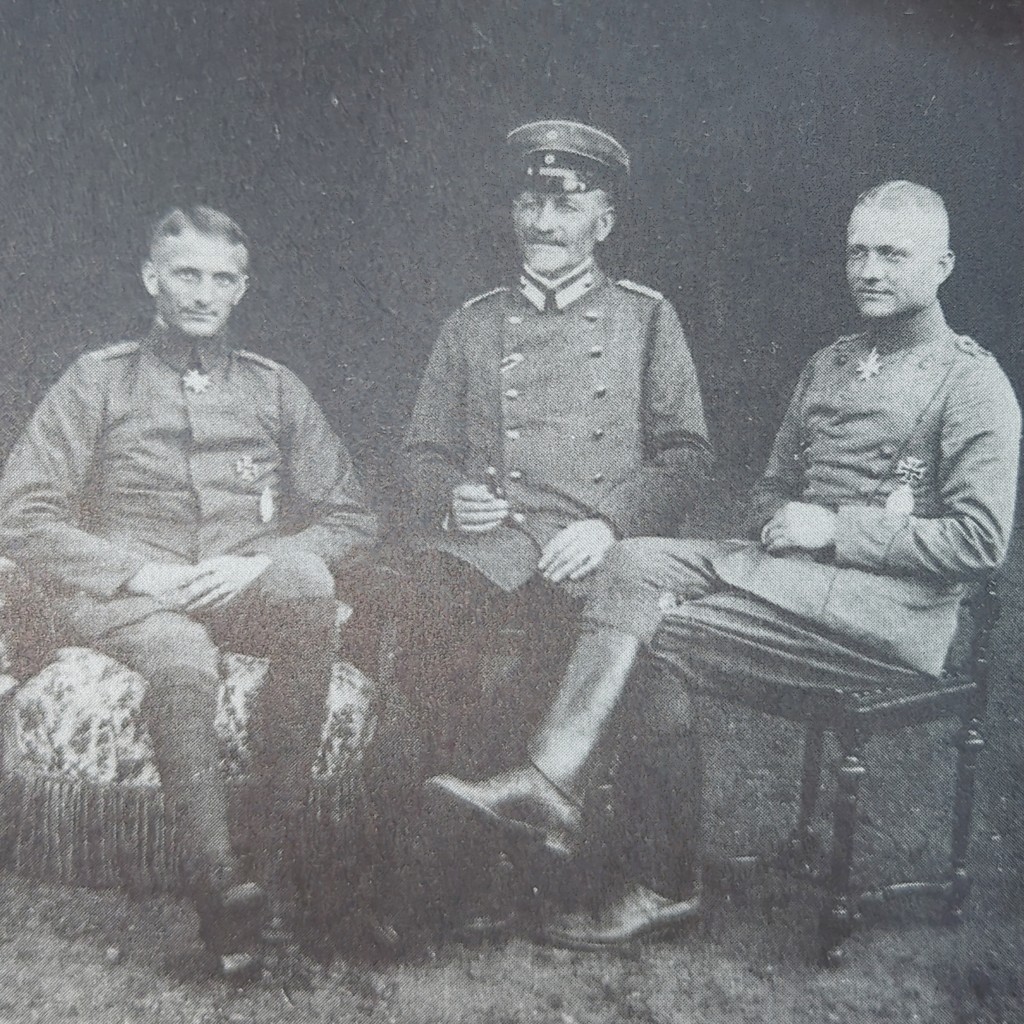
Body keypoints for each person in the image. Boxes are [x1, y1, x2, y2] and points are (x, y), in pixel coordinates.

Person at [428, 180, 1022, 947]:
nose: (870, 271)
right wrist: (778, 520)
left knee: (652, 636)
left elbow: (979, 542)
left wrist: (834, 528)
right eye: (858, 253)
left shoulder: (972, 382)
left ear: (942, 266)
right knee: (632, 563)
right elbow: (770, 488)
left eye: (892, 255)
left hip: (888, 617)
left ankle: (661, 879)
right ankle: (551, 781)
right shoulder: (832, 364)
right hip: (794, 586)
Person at [0, 206, 378, 977]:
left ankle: (272, 862)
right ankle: (219, 887)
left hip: (238, 582)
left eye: (221, 278)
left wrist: (262, 563)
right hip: (130, 593)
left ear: (243, 288)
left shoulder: (275, 388)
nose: (204, 294)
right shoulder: (98, 380)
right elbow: (23, 512)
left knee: (306, 584)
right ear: (152, 279)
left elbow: (353, 515)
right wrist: (139, 575)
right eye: (186, 274)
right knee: (179, 651)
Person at [368, 120, 711, 932]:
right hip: (492, 548)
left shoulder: (645, 319)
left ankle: (577, 862)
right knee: (427, 642)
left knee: (644, 680)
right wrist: (452, 495)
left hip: (594, 555)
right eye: (531, 203)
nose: (545, 223)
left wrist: (610, 523)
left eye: (567, 204)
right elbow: (419, 454)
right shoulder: (472, 324)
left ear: (604, 221)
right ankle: (427, 868)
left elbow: (688, 457)